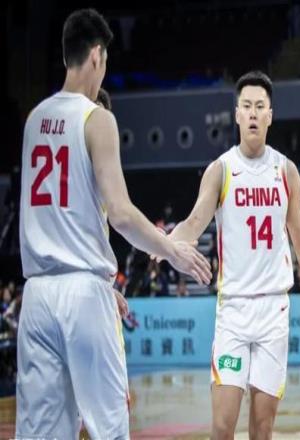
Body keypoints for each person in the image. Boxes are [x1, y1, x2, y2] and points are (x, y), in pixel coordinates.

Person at [17, 9, 211, 439]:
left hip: (37, 296)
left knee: (40, 433)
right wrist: (171, 250)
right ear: (97, 56)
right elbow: (120, 213)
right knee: (110, 429)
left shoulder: (33, 120)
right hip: (83, 294)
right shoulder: (96, 118)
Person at [155, 71, 300, 439]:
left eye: (260, 107)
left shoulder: (286, 171)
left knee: (262, 428)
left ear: (271, 115)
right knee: (222, 427)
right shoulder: (220, 170)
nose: (253, 113)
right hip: (234, 310)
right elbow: (194, 222)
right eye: (247, 106)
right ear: (236, 114)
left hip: (273, 309)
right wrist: (164, 244)